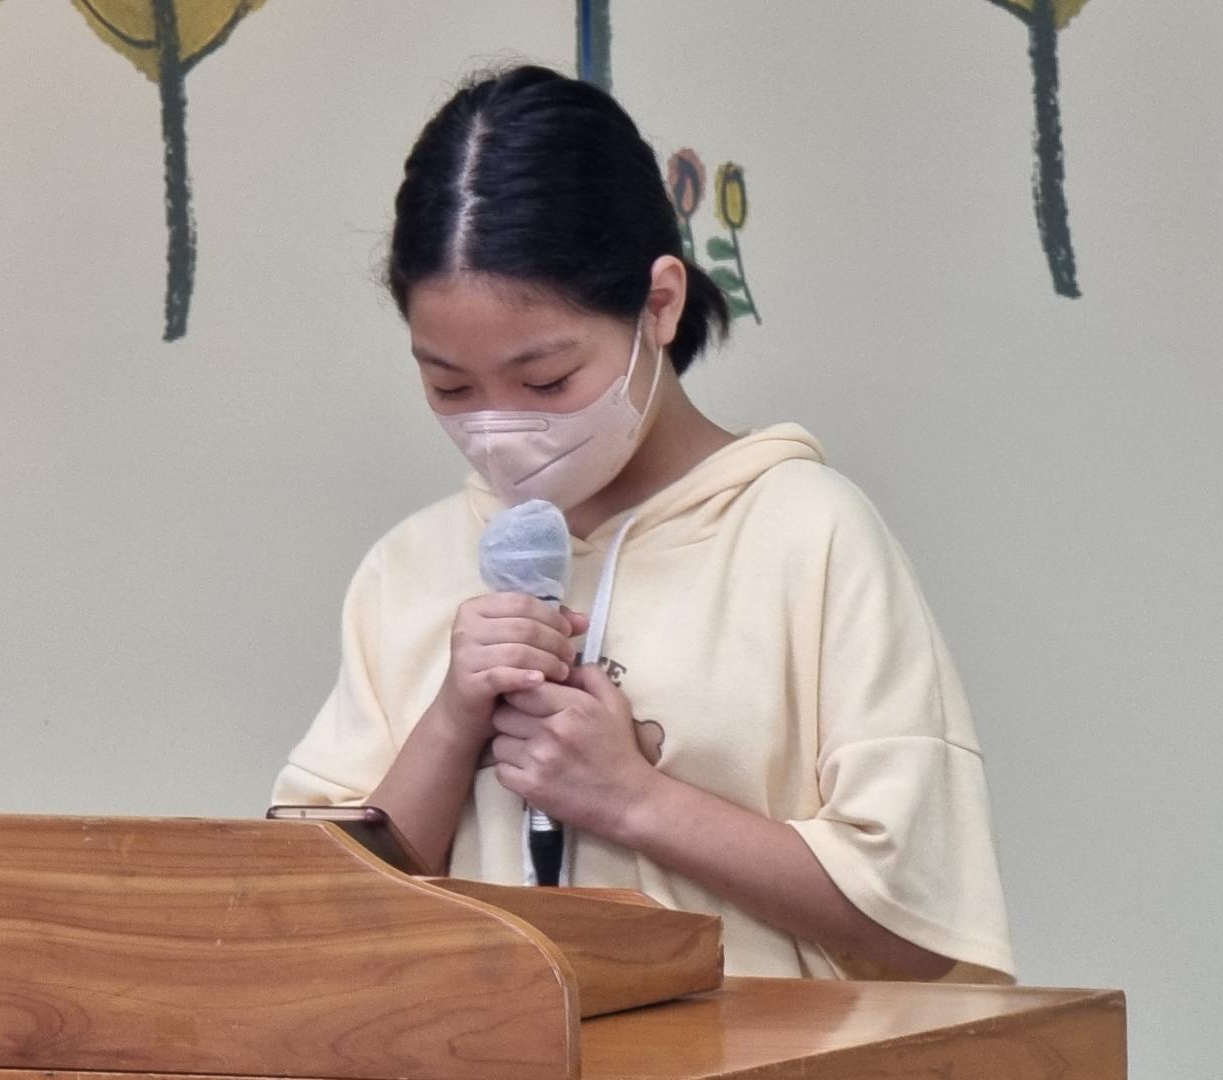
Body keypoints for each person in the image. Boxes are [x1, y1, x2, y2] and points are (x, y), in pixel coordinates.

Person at [273, 65, 1012, 982]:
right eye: (450, 386)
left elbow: (922, 928)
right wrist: (451, 723)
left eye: (547, 380)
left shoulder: (806, 534)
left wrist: (632, 800)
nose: (500, 425)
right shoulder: (410, 566)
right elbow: (302, 920)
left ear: (659, 305)